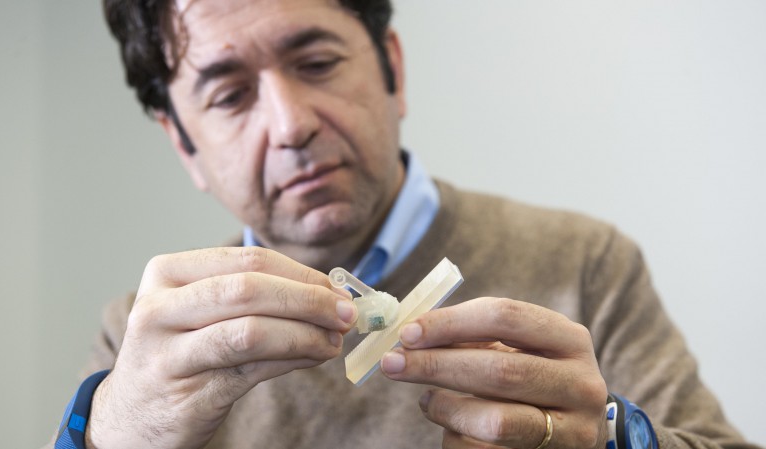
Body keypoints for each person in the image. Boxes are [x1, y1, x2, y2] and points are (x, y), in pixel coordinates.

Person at [46, 1, 760, 448]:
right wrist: (113, 432)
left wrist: (611, 437)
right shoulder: (148, 336)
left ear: (393, 69)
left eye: (317, 62)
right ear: (183, 145)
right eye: (231, 96)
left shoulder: (583, 262)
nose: (291, 125)